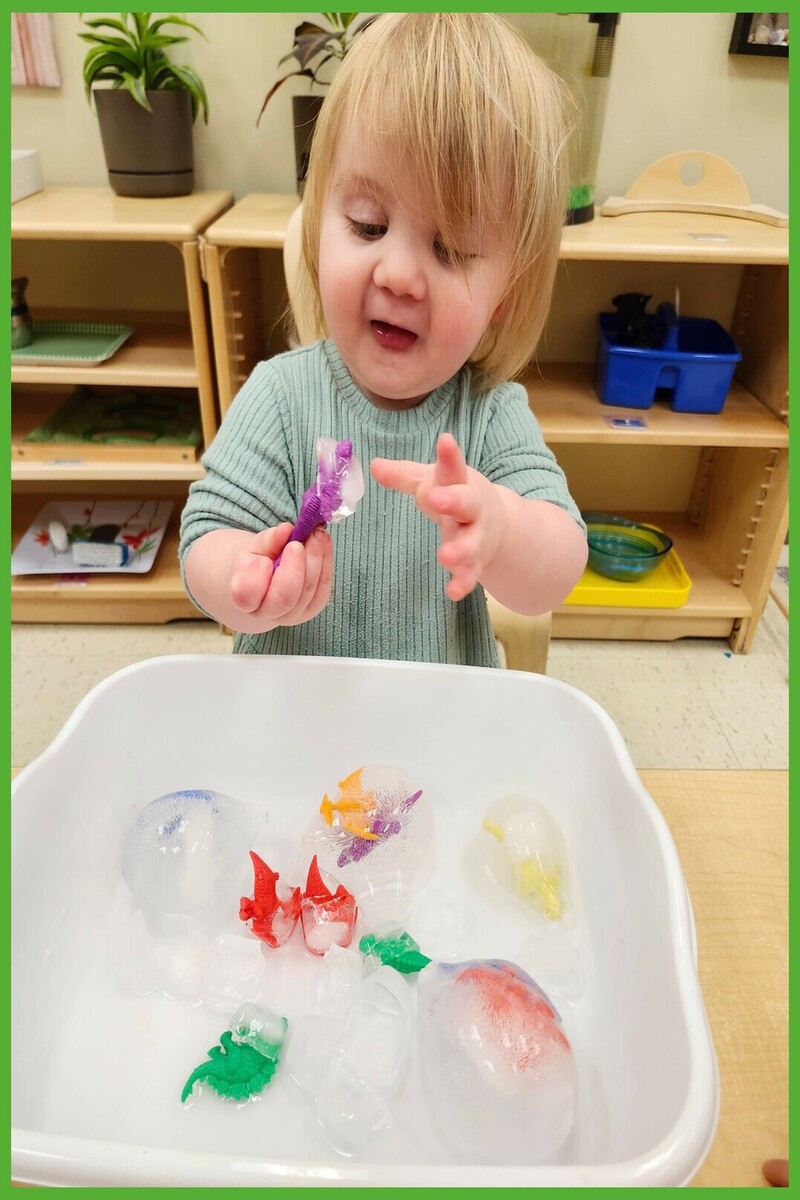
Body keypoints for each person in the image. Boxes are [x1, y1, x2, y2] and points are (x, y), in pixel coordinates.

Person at [180, 12, 587, 665]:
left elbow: (559, 565)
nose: (398, 275)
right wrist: (242, 578)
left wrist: (503, 529)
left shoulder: (488, 413)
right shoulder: (281, 396)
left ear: (506, 293)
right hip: (294, 725)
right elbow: (204, 538)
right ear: (319, 226)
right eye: (369, 225)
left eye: (450, 249)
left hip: (431, 741)